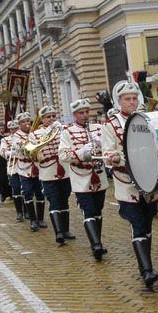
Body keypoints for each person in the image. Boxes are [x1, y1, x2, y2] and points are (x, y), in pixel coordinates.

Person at [103, 80, 158, 289]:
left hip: (149, 180)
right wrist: (114, 157)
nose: (132, 102)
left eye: (135, 98)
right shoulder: (111, 125)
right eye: (127, 99)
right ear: (119, 101)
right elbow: (107, 152)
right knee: (137, 225)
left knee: (147, 224)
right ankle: (146, 270)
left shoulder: (147, 118)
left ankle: (148, 264)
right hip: (127, 182)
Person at [59, 97, 108, 260]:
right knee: (88, 209)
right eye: (81, 113)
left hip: (98, 174)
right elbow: (63, 155)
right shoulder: (67, 132)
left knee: (98, 209)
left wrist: (101, 143)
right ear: (75, 115)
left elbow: (110, 148)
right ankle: (95, 245)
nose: (85, 115)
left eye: (87, 112)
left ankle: (98, 240)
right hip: (81, 176)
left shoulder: (99, 128)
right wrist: (82, 151)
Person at [31, 105, 75, 244]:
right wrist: (51, 130)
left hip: (65, 169)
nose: (51, 119)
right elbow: (34, 154)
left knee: (64, 199)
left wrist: (63, 131)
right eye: (48, 117)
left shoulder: (63, 130)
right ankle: (58, 233)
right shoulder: (35, 134)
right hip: (48, 171)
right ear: (42, 119)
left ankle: (66, 230)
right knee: (54, 200)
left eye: (53, 116)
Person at [14, 112, 46, 231]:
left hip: (38, 166)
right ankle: (32, 220)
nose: (27, 123)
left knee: (40, 193)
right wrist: (30, 139)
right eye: (23, 122)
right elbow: (19, 146)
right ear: (19, 124)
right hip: (25, 168)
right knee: (27, 192)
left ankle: (40, 219)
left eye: (28, 121)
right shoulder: (16, 135)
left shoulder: (36, 132)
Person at [1, 120, 26, 221]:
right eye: (11, 129)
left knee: (26, 190)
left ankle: (27, 211)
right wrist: (16, 152)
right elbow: (2, 152)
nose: (14, 131)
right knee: (16, 189)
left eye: (15, 128)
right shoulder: (5, 140)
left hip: (24, 166)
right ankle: (19, 212)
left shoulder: (24, 137)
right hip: (13, 167)